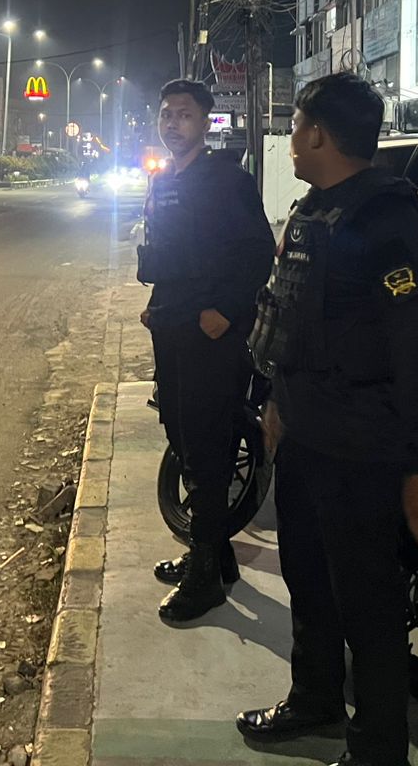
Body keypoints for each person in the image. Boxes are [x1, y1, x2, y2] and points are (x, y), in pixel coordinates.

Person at [238, 72, 418, 766]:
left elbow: (413, 356)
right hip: (307, 434)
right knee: (307, 579)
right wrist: (279, 403)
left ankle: (378, 749)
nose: (291, 138)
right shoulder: (315, 209)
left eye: (297, 125)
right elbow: (296, 319)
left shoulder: (386, 222)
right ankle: (315, 699)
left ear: (317, 134)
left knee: (367, 603)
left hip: (363, 447)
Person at [137, 78, 276, 623]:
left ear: (205, 122)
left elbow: (257, 252)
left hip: (210, 334)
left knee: (208, 445)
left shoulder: (226, 179)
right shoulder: (164, 179)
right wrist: (156, 304)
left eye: (184, 114)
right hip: (171, 325)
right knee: (180, 433)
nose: (173, 123)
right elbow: (166, 254)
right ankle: (214, 554)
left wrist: (227, 311)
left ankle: (206, 577)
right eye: (166, 114)